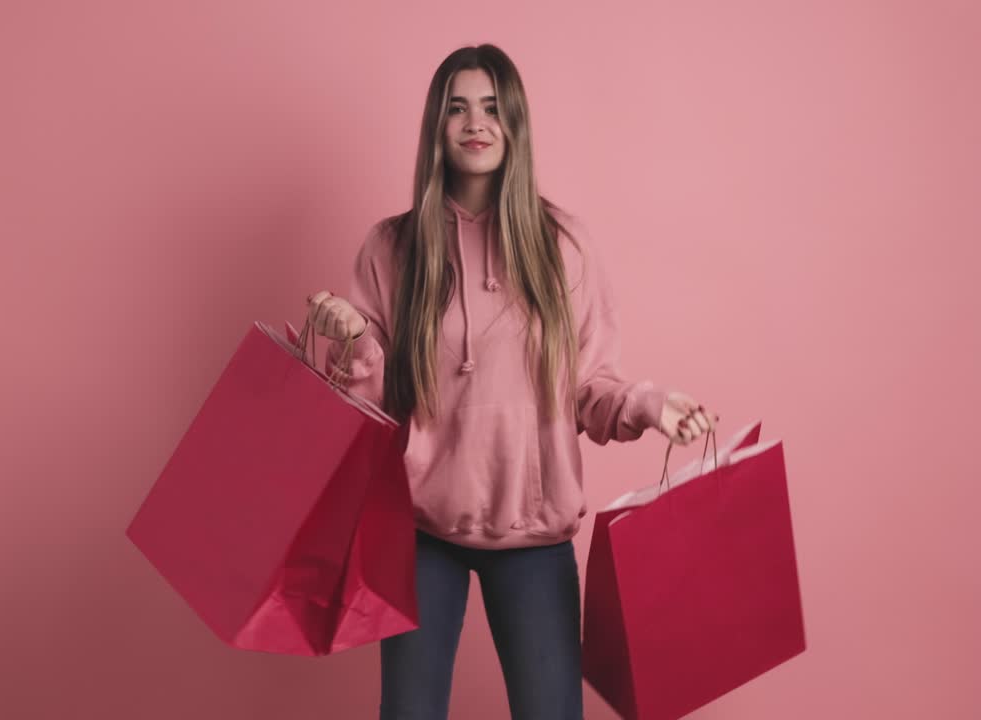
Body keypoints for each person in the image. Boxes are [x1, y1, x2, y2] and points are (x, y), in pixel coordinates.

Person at [306, 43, 718, 720]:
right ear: (437, 127)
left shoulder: (564, 246)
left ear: (516, 123)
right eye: (458, 107)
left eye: (494, 108)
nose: (476, 123)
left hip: (534, 536)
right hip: (421, 530)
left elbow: (591, 386)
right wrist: (355, 342)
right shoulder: (392, 248)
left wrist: (649, 405)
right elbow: (370, 407)